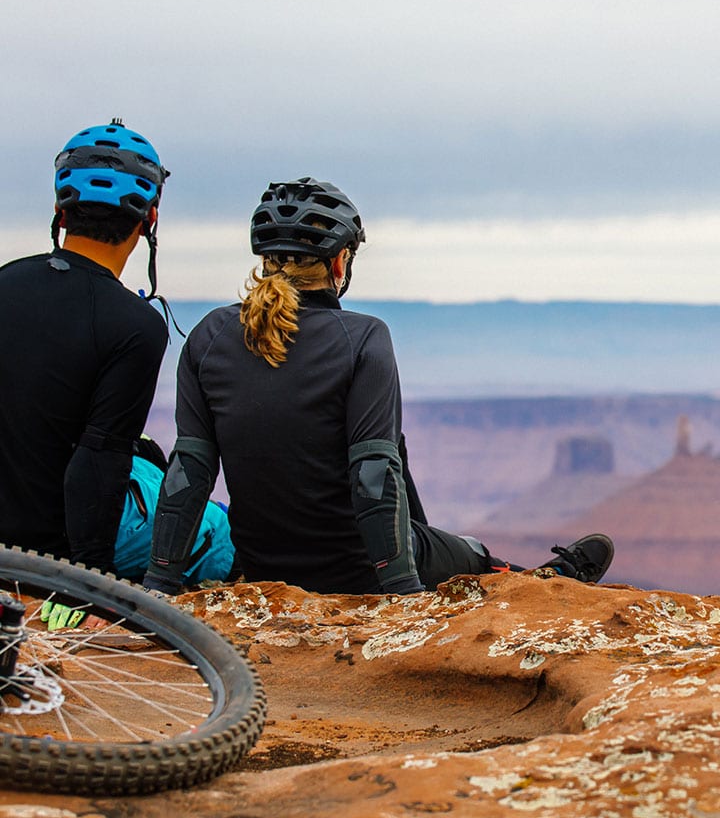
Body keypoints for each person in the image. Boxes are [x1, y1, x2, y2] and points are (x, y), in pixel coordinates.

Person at [143, 178, 614, 598]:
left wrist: (158, 585)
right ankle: (541, 587)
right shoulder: (363, 337)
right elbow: (373, 475)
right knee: (469, 553)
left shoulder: (209, 336)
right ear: (339, 261)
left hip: (266, 565)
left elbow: (191, 470)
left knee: (396, 454)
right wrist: (403, 595)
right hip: (357, 571)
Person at [0, 118, 233, 601]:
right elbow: (98, 458)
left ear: (61, 213)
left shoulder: (4, 282)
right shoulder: (136, 325)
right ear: (149, 219)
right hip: (46, 546)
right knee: (219, 531)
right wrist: (87, 580)